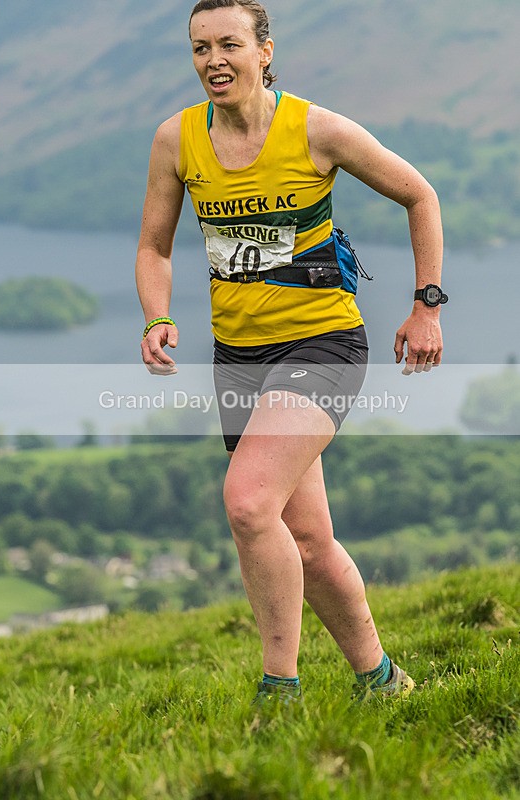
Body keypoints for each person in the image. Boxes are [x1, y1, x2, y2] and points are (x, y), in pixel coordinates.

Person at [136, 0, 445, 705]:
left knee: (248, 504)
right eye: (200, 48)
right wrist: (157, 316)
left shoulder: (315, 129)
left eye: (229, 44)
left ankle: (280, 691)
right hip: (239, 356)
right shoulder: (176, 139)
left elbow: (419, 196)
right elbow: (154, 247)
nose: (213, 60)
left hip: (322, 342)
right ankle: (383, 682)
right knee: (305, 538)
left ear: (264, 51)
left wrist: (426, 306)